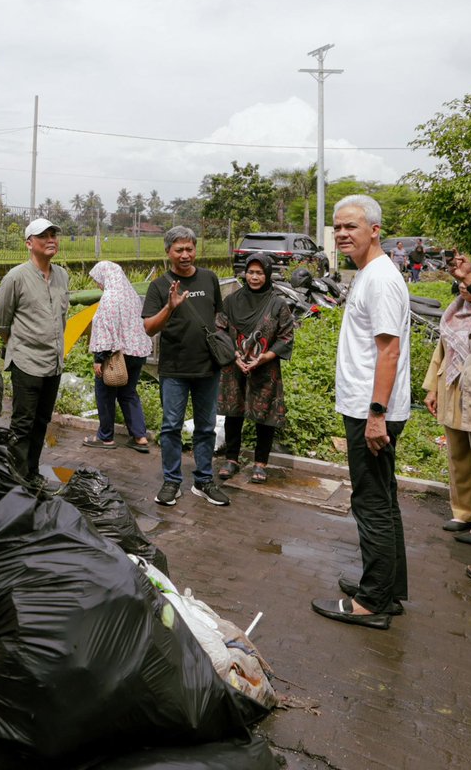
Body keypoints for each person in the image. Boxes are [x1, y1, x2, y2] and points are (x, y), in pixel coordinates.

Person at [312, 194, 410, 630]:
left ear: (375, 230)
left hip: (372, 410)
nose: (342, 234)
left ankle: (372, 603)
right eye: (337, 228)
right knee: (383, 501)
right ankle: (388, 588)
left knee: (370, 503)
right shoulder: (369, 274)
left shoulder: (382, 279)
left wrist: (375, 415)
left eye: (351, 226)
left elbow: (388, 351)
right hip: (369, 407)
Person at [142, 226, 229, 507]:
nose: (185, 254)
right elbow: (148, 328)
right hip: (174, 370)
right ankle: (172, 482)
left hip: (208, 369)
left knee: (206, 428)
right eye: (179, 249)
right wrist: (170, 306)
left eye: (189, 248)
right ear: (168, 252)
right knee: (170, 427)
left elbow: (219, 316)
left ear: (195, 249)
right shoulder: (158, 286)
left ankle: (204, 481)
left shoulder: (209, 278)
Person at [0, 217, 70, 482]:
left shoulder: (62, 276)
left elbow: (61, 318)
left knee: (41, 422)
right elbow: (1, 320)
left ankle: (32, 472)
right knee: (23, 424)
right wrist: (15, 345)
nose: (51, 240)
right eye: (43, 236)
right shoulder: (16, 277)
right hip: (26, 362)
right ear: (29, 243)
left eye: (53, 235)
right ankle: (16, 479)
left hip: (53, 362)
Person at [216, 253, 295, 484]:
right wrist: (234, 355)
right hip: (235, 366)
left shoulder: (277, 303)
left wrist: (264, 357)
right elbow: (220, 330)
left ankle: (261, 463)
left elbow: (286, 337)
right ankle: (231, 459)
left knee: (265, 415)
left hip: (265, 368)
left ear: (268, 274)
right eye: (251, 272)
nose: (254, 277)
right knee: (233, 411)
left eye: (259, 272)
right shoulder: (231, 301)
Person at [433, 251, 471, 549]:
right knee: (459, 456)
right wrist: (431, 389)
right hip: (454, 389)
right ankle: (465, 513)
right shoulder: (454, 315)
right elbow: (440, 354)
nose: (466, 289)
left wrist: (469, 276)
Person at [85, 260, 154, 452]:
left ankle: (105, 437)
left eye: (98, 279)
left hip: (116, 355)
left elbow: (107, 329)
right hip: (137, 352)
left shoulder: (110, 297)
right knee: (128, 393)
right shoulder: (131, 295)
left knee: (105, 394)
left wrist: (100, 358)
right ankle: (140, 437)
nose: (98, 284)